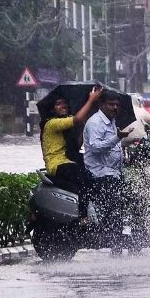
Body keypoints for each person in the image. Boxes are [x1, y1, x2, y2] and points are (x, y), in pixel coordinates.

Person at [40, 86, 102, 219]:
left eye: (64, 103)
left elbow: (77, 145)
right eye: (58, 104)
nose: (63, 106)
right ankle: (83, 218)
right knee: (86, 180)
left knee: (91, 182)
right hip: (58, 164)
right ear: (52, 109)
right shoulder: (52, 124)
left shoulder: (64, 127)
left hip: (67, 162)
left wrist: (83, 127)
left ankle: (91, 216)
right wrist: (90, 100)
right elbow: (77, 119)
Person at [83, 92, 133, 249]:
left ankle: (117, 242)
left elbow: (111, 147)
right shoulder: (95, 123)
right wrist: (117, 138)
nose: (115, 107)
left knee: (123, 205)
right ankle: (113, 244)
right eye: (111, 104)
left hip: (113, 172)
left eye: (117, 105)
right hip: (100, 174)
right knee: (114, 210)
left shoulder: (111, 121)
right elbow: (96, 148)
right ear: (101, 105)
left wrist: (123, 159)